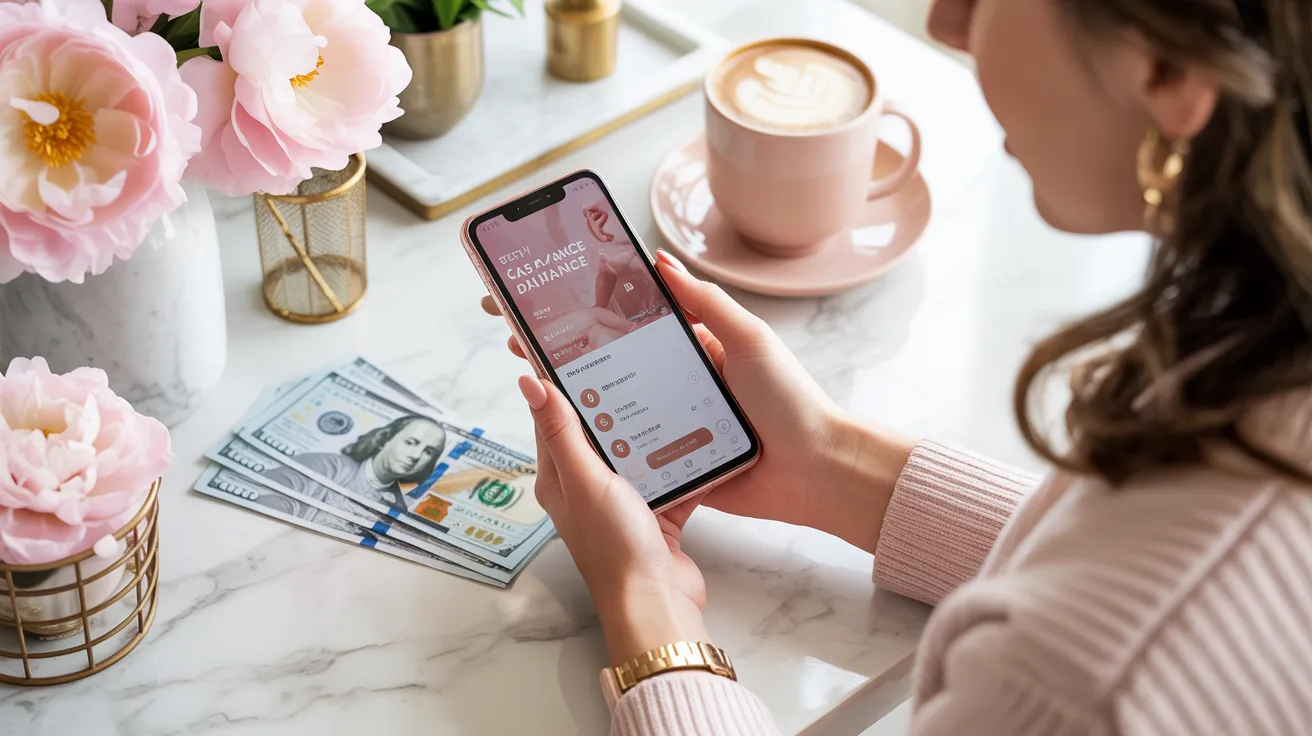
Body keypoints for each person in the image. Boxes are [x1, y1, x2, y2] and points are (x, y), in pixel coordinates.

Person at [485, 0, 1312, 733]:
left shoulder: (1085, 688)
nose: (947, 23)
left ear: (1167, 62)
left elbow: (1141, 620)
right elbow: (1157, 566)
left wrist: (650, 614)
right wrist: (832, 464)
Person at [262, 415, 446, 515]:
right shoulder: (321, 466)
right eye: (410, 442)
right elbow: (264, 497)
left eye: (428, 452)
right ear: (384, 439)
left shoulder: (397, 507)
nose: (415, 456)